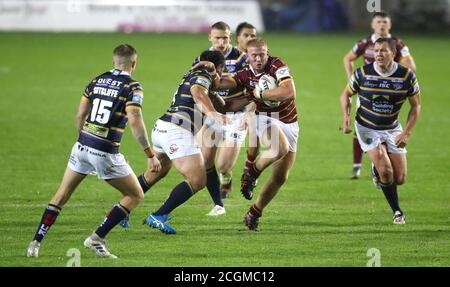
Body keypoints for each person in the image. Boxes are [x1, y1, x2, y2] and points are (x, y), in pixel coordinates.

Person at [26, 44, 161, 258]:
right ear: (133, 64)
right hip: (105, 152)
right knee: (135, 194)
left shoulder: (96, 81)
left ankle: (35, 242)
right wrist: (150, 154)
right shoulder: (133, 87)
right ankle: (97, 238)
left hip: (81, 147)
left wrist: (85, 139)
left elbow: (80, 116)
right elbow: (135, 120)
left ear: (113, 61)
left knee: (61, 195)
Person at [194, 37, 299, 231]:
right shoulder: (243, 74)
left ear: (268, 53)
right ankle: (252, 173)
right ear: (248, 57)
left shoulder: (277, 66)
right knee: (278, 147)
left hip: (290, 122)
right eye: (255, 55)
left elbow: (289, 92)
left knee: (280, 177)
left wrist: (262, 94)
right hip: (266, 118)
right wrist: (210, 71)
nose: (259, 59)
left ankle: (254, 212)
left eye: (263, 54)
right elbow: (221, 83)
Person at [139, 50, 228, 234]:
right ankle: (159, 215)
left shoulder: (194, 75)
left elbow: (220, 102)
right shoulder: (203, 75)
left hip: (161, 127)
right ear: (219, 67)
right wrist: (213, 114)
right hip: (177, 131)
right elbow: (198, 93)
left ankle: (121, 209)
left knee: (156, 172)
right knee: (197, 180)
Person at [340, 37, 421, 224]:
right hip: (366, 126)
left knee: (399, 178)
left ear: (393, 53)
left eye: (383, 51)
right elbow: (346, 94)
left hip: (392, 128)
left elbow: (416, 107)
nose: (378, 54)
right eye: (376, 51)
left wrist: (406, 132)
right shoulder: (362, 74)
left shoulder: (407, 76)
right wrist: (346, 116)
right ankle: (397, 212)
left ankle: (375, 170)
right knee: (386, 171)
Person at [192, 21, 256, 217]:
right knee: (205, 161)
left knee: (223, 165)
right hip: (213, 113)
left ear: (230, 38)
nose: (221, 42)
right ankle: (218, 203)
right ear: (210, 37)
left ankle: (226, 179)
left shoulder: (242, 58)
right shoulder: (203, 58)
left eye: (225, 38)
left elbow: (255, 88)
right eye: (217, 38)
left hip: (235, 115)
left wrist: (249, 112)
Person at [343, 11, 417, 179]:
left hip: (389, 93)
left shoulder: (397, 44)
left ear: (389, 25)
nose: (381, 25)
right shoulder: (365, 43)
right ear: (372, 24)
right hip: (366, 91)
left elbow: (410, 65)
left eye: (385, 22)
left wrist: (397, 77)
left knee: (385, 128)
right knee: (362, 126)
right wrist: (351, 79)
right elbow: (348, 58)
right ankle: (358, 166)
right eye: (378, 22)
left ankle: (381, 162)